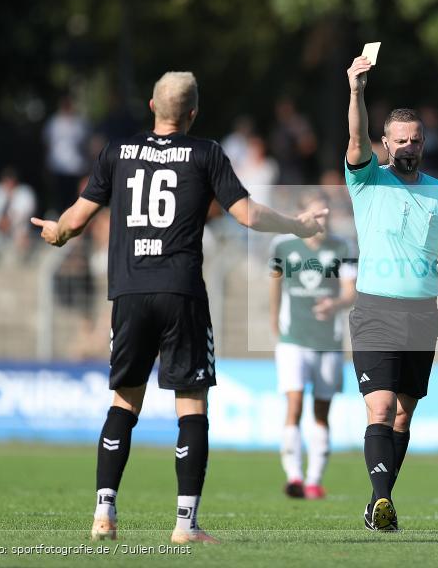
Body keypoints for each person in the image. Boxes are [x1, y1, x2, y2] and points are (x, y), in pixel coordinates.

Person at [31, 71, 326, 544]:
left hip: (128, 292)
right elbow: (247, 214)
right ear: (193, 113)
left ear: (151, 105)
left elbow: (75, 219)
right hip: (180, 292)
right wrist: (298, 225)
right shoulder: (206, 153)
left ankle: (103, 514)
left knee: (124, 400)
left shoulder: (116, 152)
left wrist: (56, 231)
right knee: (191, 406)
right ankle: (185, 525)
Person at [345, 55, 438, 531]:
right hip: (375, 310)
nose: (409, 146)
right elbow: (353, 136)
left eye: (416, 140)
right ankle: (384, 501)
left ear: (424, 143)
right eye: (400, 139)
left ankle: (376, 501)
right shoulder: (367, 180)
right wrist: (356, 91)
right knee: (381, 407)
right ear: (384, 142)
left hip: (422, 315)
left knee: (404, 417)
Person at [268, 190, 357, 500]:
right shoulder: (283, 246)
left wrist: (335, 303)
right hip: (293, 340)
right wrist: (274, 324)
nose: (323, 220)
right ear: (302, 214)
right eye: (317, 214)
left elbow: (350, 292)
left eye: (326, 214)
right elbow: (275, 287)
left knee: (322, 412)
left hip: (328, 342)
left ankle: (314, 479)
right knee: (293, 405)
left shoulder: (341, 247)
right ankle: (293, 476)